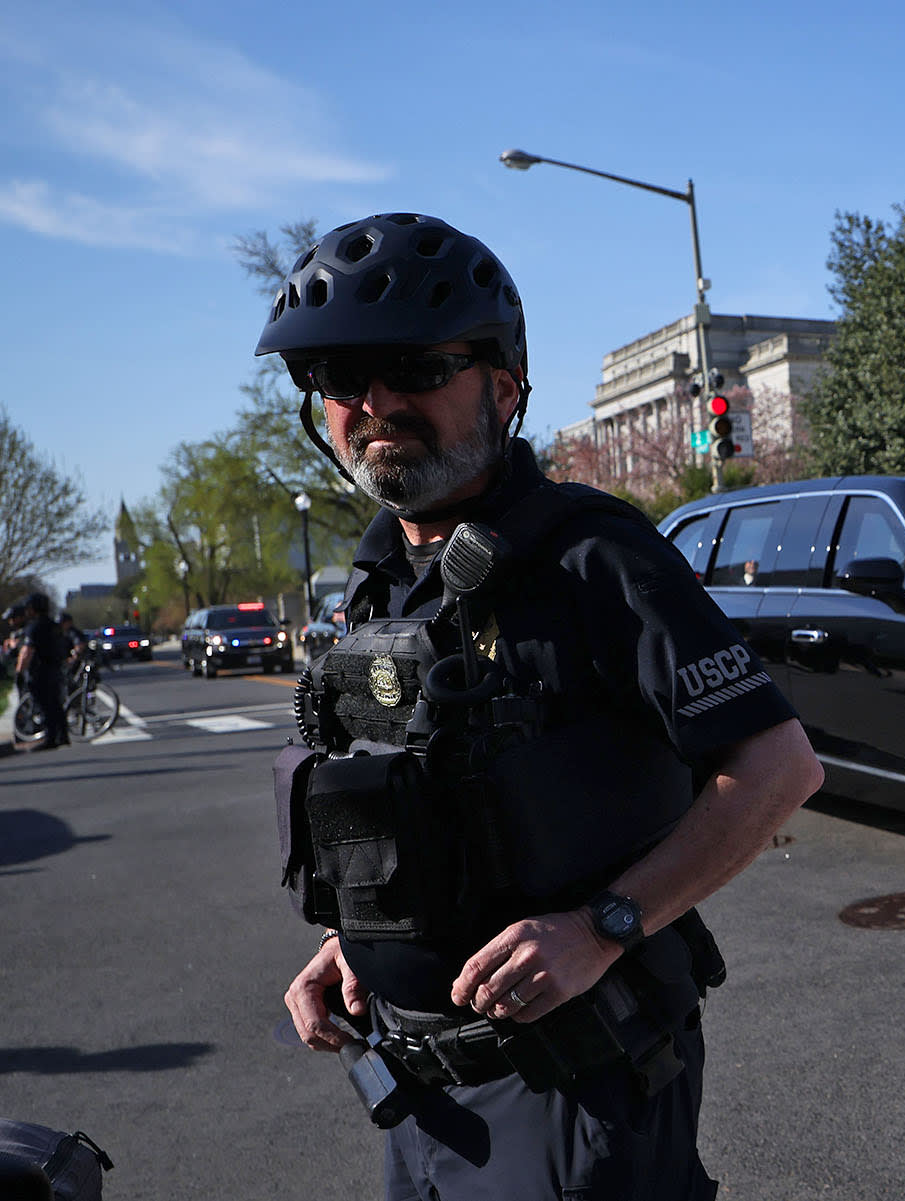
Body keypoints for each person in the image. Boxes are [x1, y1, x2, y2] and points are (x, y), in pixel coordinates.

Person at [257, 213, 823, 1200]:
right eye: (343, 377)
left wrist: (603, 926)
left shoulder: (592, 556)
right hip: (417, 1096)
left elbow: (778, 767)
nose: (377, 401)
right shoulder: (381, 581)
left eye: (418, 368)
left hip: (570, 1094)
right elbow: (422, 803)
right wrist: (345, 947)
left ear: (505, 386)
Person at [14, 593, 69, 749]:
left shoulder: (34, 627)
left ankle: (50, 738)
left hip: (40, 671)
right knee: (56, 704)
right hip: (55, 669)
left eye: (29, 608)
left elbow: (27, 651)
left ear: (33, 609)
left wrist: (19, 671)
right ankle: (62, 735)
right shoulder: (54, 625)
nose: (27, 611)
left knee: (44, 705)